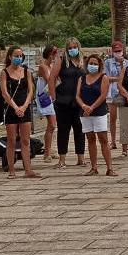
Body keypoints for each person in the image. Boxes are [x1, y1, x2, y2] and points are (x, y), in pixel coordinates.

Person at [1, 46, 40, 179]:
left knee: (25, 140)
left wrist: (24, 106)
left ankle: (28, 169)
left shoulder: (26, 71)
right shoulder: (4, 73)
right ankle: (11, 170)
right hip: (11, 109)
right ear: (10, 57)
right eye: (16, 55)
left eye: (20, 56)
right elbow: (4, 93)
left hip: (24, 108)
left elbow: (30, 90)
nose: (18, 58)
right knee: (11, 140)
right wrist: (15, 107)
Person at [76, 53, 115, 176]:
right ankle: (94, 167)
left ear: (99, 65)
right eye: (91, 63)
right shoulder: (81, 78)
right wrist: (84, 106)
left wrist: (92, 107)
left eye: (95, 64)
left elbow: (103, 95)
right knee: (90, 138)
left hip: (99, 112)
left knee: (103, 138)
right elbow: (77, 95)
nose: (93, 66)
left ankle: (109, 168)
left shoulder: (103, 78)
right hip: (85, 112)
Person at [52, 38, 87, 169]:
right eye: (70, 47)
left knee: (80, 129)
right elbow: (52, 78)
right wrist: (53, 96)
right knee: (63, 130)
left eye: (75, 47)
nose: (73, 49)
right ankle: (62, 159)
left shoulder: (83, 61)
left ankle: (81, 158)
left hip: (79, 101)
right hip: (63, 100)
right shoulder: (62, 61)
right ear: (67, 49)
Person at [36, 45, 59, 161]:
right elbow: (50, 80)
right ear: (51, 54)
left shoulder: (52, 66)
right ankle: (47, 153)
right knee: (52, 124)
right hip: (45, 96)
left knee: (52, 125)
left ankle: (49, 149)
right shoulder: (43, 67)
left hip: (51, 96)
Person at [105, 41, 126, 150]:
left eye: (119, 51)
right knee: (113, 118)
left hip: (123, 92)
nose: (118, 53)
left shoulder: (126, 62)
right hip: (111, 92)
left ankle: (124, 142)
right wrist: (119, 79)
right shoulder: (108, 62)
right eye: (116, 51)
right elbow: (107, 77)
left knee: (124, 118)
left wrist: (122, 65)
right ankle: (113, 141)